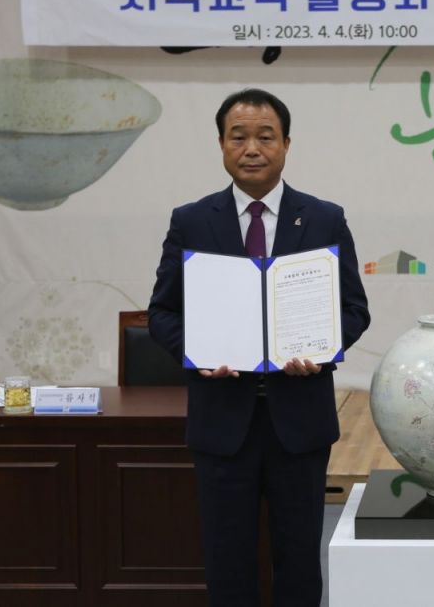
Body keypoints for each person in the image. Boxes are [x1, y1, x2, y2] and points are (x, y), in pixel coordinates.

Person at [148, 88, 370, 607]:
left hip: (299, 421)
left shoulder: (324, 218)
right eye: (238, 137)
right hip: (223, 422)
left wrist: (321, 350)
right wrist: (199, 352)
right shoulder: (192, 220)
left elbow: (354, 310)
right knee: (227, 562)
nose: (252, 148)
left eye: (265, 137)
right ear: (221, 145)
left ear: (286, 144)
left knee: (299, 560)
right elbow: (162, 312)